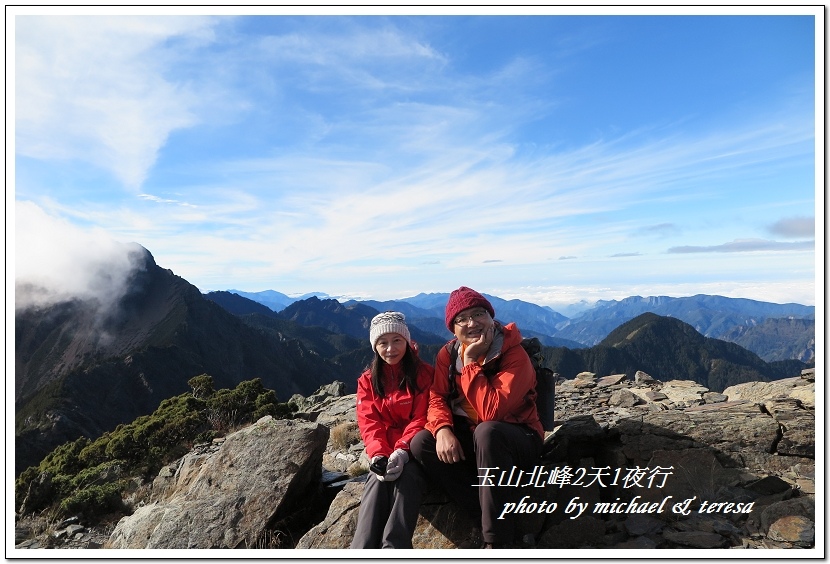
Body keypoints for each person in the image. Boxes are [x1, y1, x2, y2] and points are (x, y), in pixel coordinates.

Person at [410, 287, 543, 549]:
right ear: (453, 328)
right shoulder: (447, 355)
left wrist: (470, 362)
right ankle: (482, 513)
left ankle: (497, 541)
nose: (472, 323)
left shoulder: (514, 354)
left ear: (491, 318)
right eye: (462, 319)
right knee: (421, 443)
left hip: (518, 438)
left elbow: (492, 412)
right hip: (475, 436)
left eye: (478, 314)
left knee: (488, 431)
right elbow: (437, 396)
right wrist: (443, 429)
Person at [350, 311, 434, 549]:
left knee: (408, 478)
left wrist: (402, 451)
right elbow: (369, 421)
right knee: (376, 482)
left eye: (397, 340)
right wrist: (378, 453)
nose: (390, 349)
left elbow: (422, 417)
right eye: (383, 343)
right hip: (386, 451)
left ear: (407, 341)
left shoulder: (424, 374)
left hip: (414, 451)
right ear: (375, 347)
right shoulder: (368, 380)